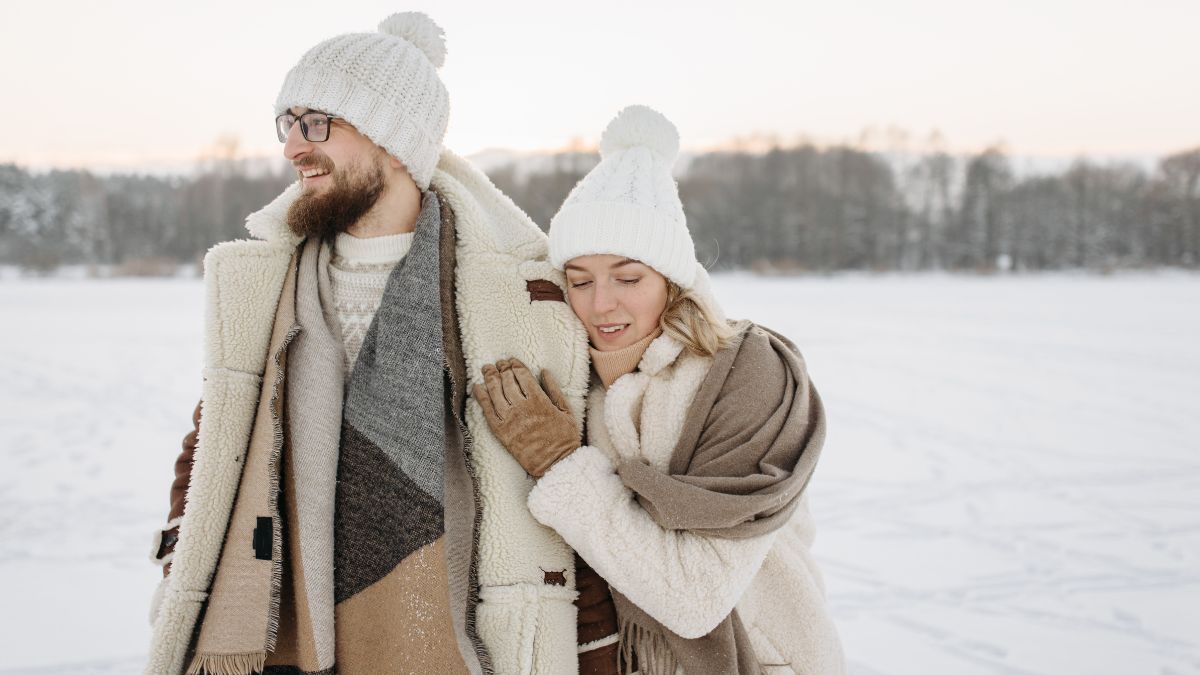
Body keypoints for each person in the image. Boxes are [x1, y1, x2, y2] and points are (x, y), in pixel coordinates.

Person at [146, 12, 594, 675]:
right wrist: (181, 548)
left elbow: (572, 477)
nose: (295, 146)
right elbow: (217, 435)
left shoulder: (515, 294)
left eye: (318, 122)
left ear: (391, 137)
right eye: (289, 123)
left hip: (464, 641)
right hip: (281, 640)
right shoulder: (268, 283)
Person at [473, 106, 847, 674]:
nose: (601, 305)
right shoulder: (574, 380)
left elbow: (694, 597)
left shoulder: (747, 376)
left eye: (628, 278)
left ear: (672, 280)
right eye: (579, 280)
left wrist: (559, 463)